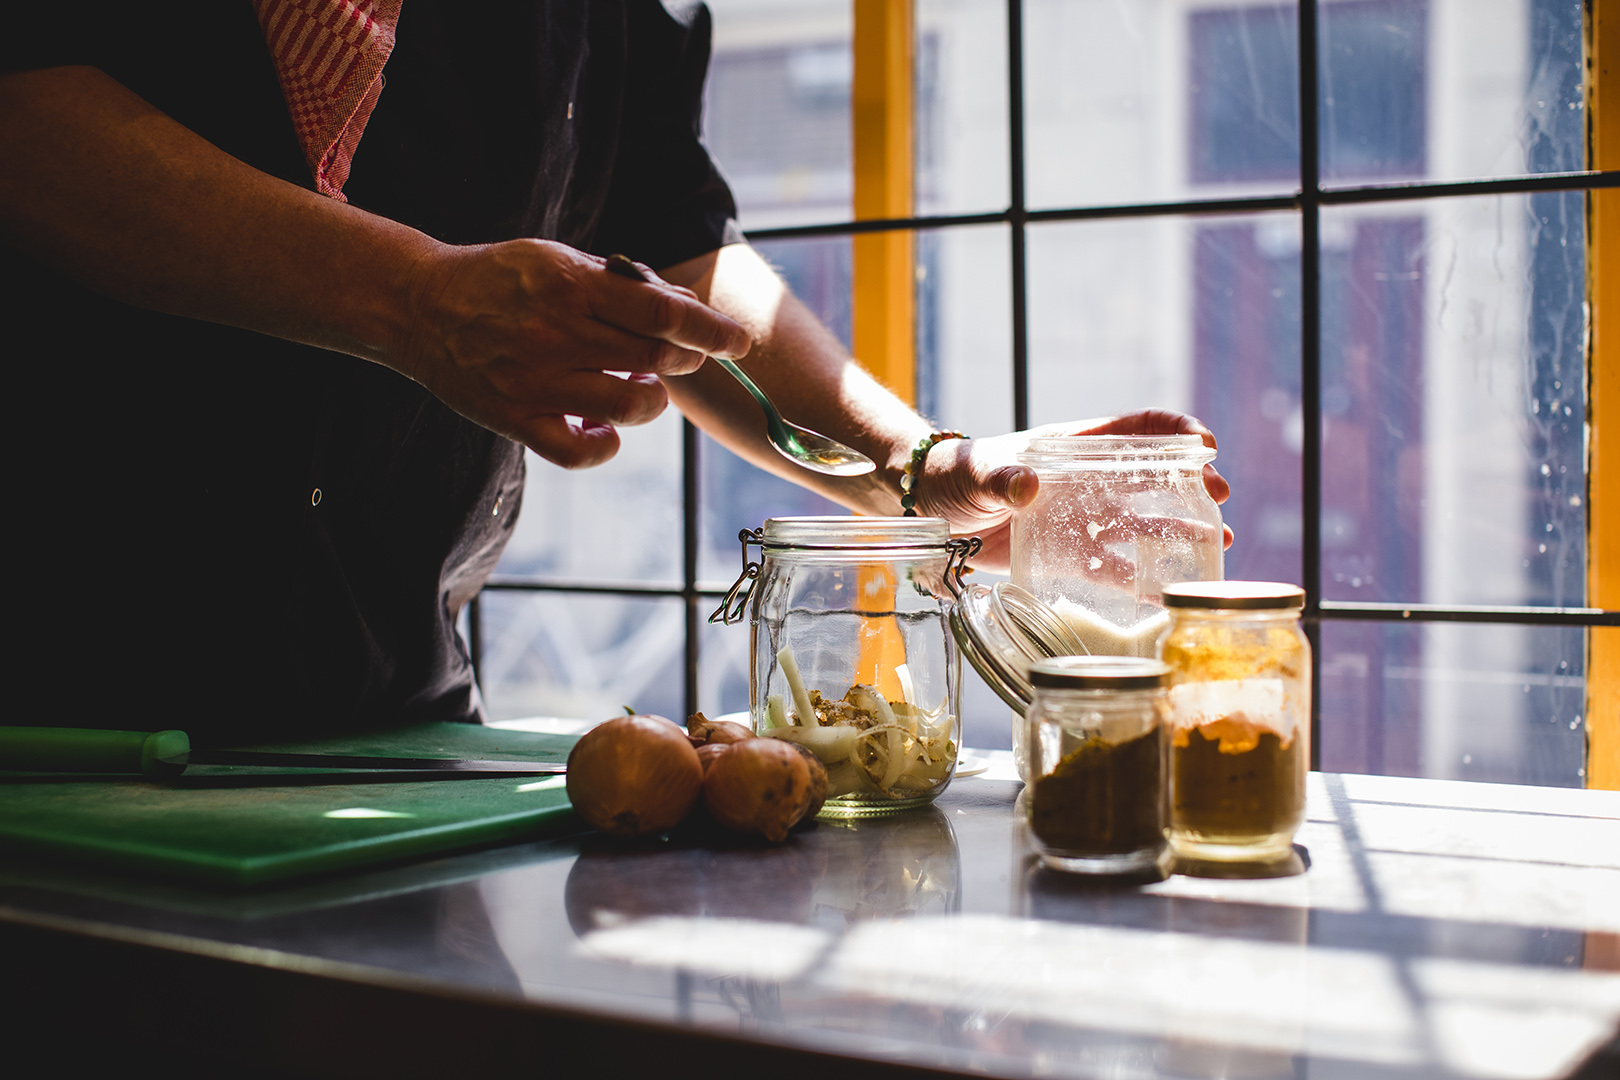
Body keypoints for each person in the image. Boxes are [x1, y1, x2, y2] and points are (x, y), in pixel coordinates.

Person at [1, 1, 1228, 743]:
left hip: (381, 707)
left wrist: (916, 467)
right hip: (55, 683)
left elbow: (673, 246)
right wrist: (416, 300)